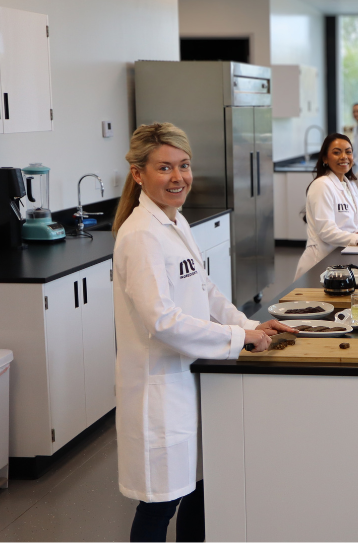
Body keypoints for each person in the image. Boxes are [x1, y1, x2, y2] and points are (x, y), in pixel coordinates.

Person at [111, 123, 295, 542]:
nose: (178, 178)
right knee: (159, 505)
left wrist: (248, 324)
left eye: (184, 166)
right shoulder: (140, 236)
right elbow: (162, 321)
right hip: (161, 390)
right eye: (165, 168)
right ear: (139, 174)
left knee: (198, 488)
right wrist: (237, 340)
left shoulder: (175, 223)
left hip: (192, 379)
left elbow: (205, 290)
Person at [295, 133, 358, 280]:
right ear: (325, 158)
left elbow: (357, 223)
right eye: (336, 152)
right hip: (321, 263)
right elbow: (326, 232)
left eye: (348, 152)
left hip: (342, 259)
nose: (344, 156)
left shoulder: (350, 184)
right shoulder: (322, 185)